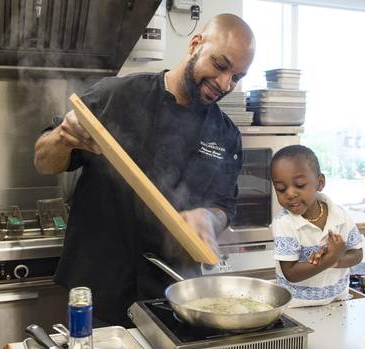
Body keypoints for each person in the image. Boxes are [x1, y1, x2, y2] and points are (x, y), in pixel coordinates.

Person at [33, 13, 255, 327]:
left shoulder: (226, 135)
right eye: (220, 66)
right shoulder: (117, 95)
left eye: (237, 77)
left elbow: (224, 206)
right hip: (100, 287)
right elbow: (43, 161)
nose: (224, 83)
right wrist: (62, 138)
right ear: (195, 45)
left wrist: (209, 217)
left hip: (175, 295)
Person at [270, 145, 363, 307]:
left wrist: (336, 260)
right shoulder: (285, 222)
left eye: (299, 185)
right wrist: (329, 259)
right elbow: (291, 273)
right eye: (281, 189)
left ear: (320, 183)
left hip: (337, 303)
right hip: (296, 308)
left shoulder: (340, 215)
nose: (290, 193)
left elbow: (357, 254)